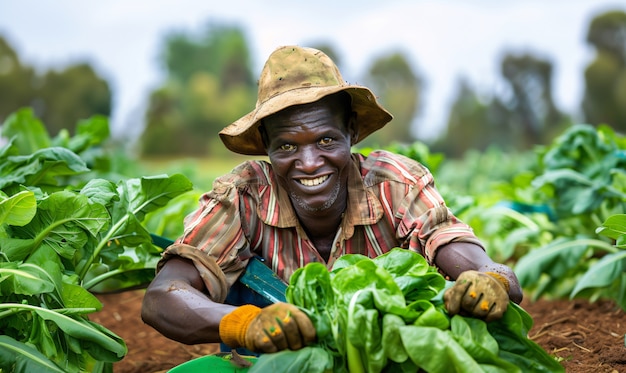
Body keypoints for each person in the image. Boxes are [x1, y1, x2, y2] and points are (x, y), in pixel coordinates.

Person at [141, 45, 523, 355]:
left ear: (351, 132)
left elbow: (459, 249)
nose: (309, 164)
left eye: (325, 140)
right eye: (287, 146)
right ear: (266, 148)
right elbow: (162, 298)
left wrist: (489, 279)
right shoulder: (242, 197)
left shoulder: (395, 184)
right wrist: (244, 322)